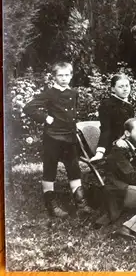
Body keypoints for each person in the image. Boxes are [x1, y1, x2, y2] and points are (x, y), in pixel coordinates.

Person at [23, 62, 93, 217]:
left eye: (67, 75)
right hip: (53, 137)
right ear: (53, 77)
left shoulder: (74, 92)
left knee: (73, 168)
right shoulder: (50, 93)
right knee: (50, 169)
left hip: (69, 136)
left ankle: (81, 203)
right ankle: (51, 205)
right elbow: (28, 108)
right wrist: (45, 118)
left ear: (71, 75)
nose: (64, 78)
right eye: (60, 75)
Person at [90, 74, 135, 162]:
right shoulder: (107, 105)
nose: (125, 89)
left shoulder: (129, 106)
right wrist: (100, 152)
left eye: (127, 86)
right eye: (121, 86)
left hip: (129, 143)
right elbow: (106, 129)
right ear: (113, 89)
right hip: (113, 144)